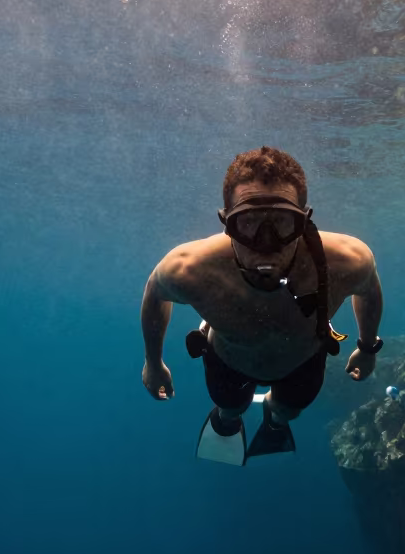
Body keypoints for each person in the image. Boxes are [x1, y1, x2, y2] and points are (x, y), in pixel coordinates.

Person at [141, 146, 384, 465]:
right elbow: (155, 293)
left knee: (288, 411)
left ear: (304, 220)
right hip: (229, 361)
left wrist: (367, 348)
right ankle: (231, 420)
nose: (266, 243)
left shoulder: (349, 260)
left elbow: (368, 289)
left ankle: (274, 419)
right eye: (249, 223)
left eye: (282, 223)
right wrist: (153, 362)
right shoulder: (189, 268)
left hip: (304, 360)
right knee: (231, 408)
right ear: (226, 222)